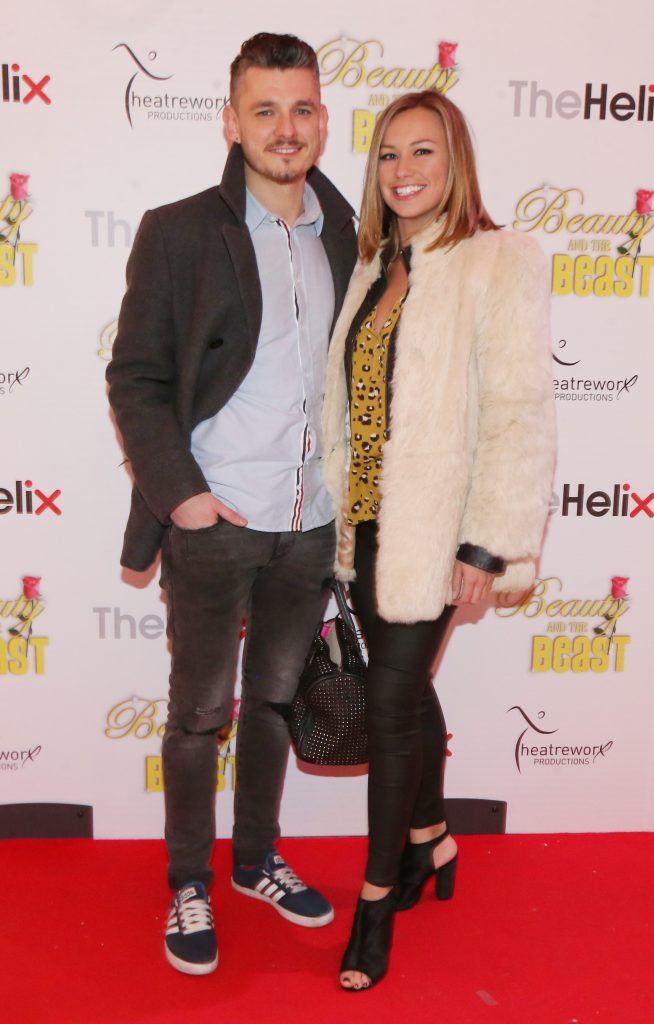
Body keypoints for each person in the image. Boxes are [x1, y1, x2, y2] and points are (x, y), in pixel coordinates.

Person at [106, 33, 356, 976]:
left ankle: (255, 861)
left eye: (301, 109)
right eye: (265, 110)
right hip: (217, 521)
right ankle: (188, 881)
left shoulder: (350, 233)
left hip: (311, 520)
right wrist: (184, 499)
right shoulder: (179, 231)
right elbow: (135, 377)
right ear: (231, 121)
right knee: (198, 710)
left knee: (276, 703)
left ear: (322, 122)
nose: (285, 129)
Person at [322, 90, 555, 989]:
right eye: (387, 155)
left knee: (388, 708)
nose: (404, 171)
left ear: (455, 161)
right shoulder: (375, 265)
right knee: (407, 697)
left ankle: (377, 899)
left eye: (423, 152)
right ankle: (431, 843)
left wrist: (488, 546)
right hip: (369, 526)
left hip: (441, 533)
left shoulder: (499, 260)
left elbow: (518, 410)